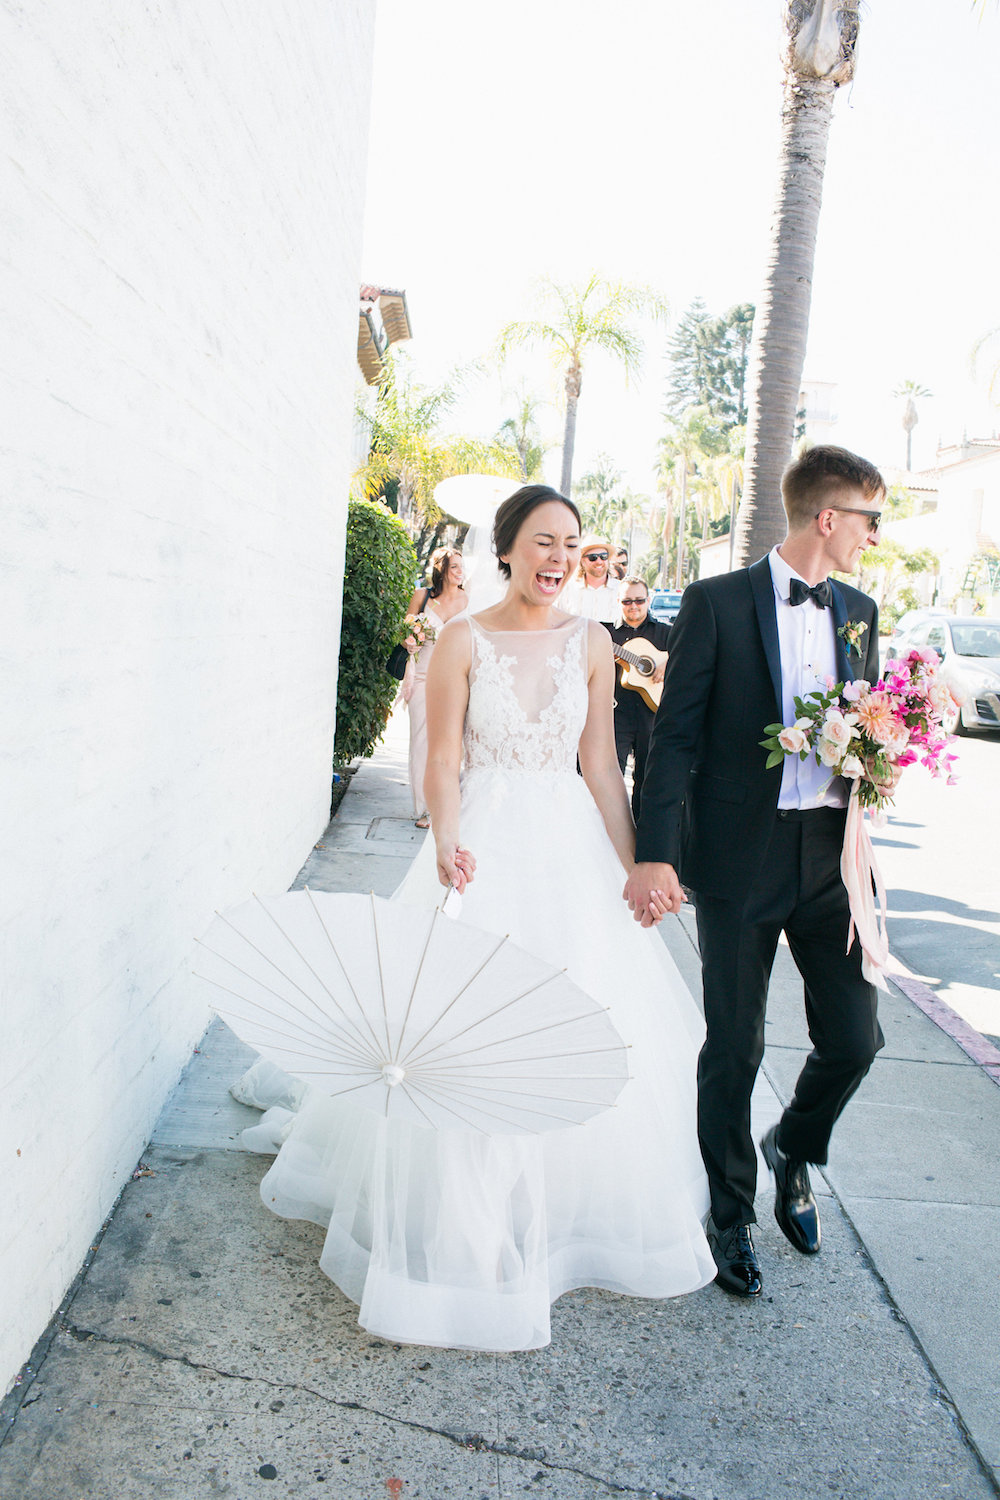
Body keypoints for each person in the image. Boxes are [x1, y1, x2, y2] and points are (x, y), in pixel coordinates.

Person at [241, 484, 715, 1351]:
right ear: (508, 547)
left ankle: (564, 1208)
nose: (559, 557)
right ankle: (462, 1214)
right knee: (460, 1027)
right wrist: (445, 842)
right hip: (484, 844)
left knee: (585, 1018)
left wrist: (637, 864)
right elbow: (444, 754)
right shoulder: (463, 637)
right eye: (543, 540)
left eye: (572, 544)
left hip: (568, 845)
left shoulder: (595, 642)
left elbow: (603, 768)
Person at [624, 446, 885, 1300]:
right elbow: (677, 739)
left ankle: (795, 1148)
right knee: (735, 1044)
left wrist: (885, 752)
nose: (872, 539)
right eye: (868, 520)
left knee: (854, 1038)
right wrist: (654, 852)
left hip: (831, 859)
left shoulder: (859, 612)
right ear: (826, 518)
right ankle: (730, 1212)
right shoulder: (717, 603)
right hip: (741, 854)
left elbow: (865, 721)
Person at [401, 546, 466, 828]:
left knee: (456, 744)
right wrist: (409, 639)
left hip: (458, 681)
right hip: (423, 677)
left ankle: (453, 804)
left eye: (462, 567)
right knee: (421, 742)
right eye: (454, 567)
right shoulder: (422, 596)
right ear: (442, 570)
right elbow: (404, 629)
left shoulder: (470, 601)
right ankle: (426, 809)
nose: (460, 572)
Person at [605, 576, 671, 823]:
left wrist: (668, 661)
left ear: (648, 600)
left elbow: (691, 653)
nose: (634, 606)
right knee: (612, 775)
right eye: (627, 601)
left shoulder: (666, 633)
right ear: (619, 602)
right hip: (617, 714)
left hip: (652, 716)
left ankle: (642, 837)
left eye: (639, 600)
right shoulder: (607, 633)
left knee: (646, 778)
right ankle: (613, 830)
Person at [560, 534, 620, 622]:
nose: (599, 561)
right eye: (593, 557)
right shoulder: (567, 589)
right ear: (582, 561)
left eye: (603, 556)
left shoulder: (621, 590)